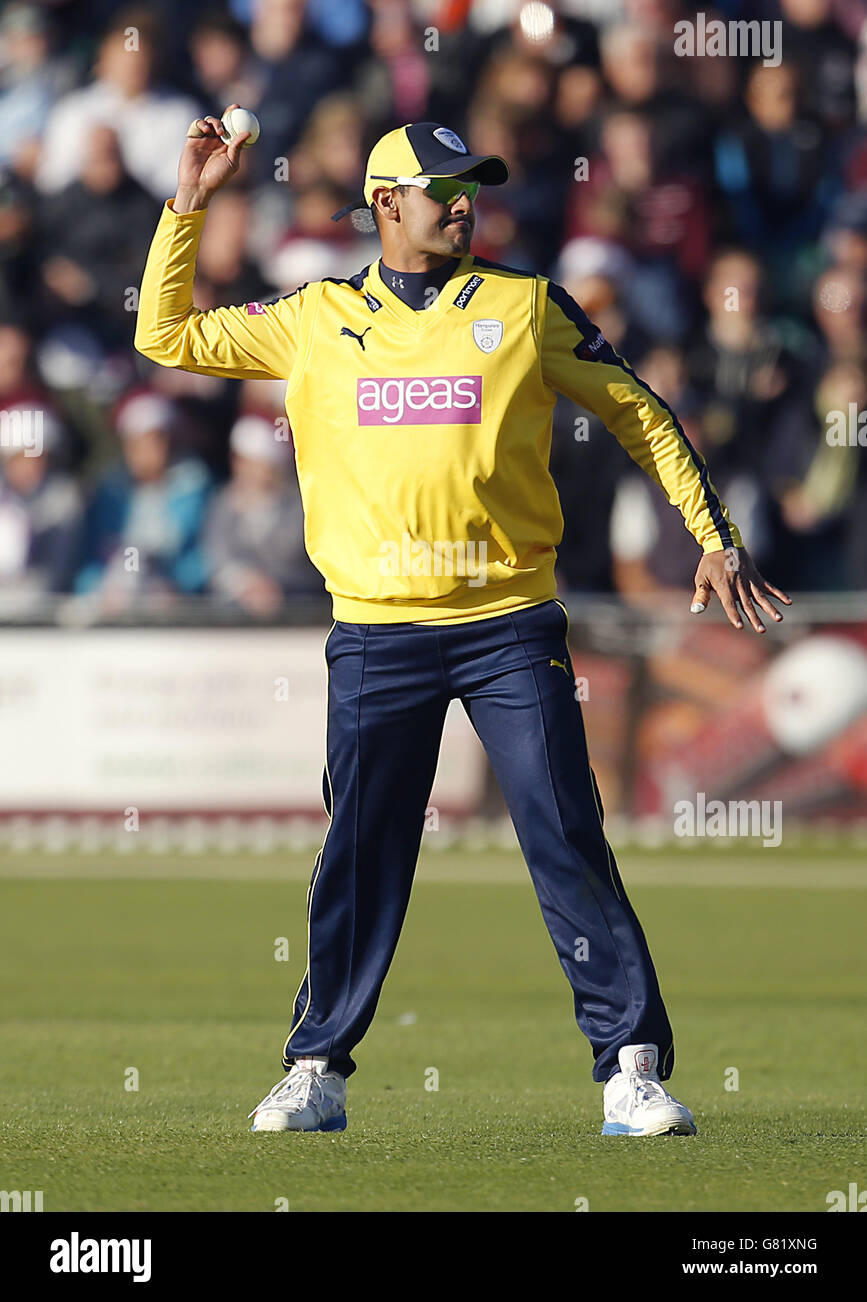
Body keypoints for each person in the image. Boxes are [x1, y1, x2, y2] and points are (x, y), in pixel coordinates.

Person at [135, 112, 791, 1138]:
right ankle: (317, 1066)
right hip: (375, 634)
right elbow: (162, 333)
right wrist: (189, 207)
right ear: (384, 205)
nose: (462, 204)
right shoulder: (313, 316)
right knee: (361, 851)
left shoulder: (525, 306)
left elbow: (640, 411)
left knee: (566, 835)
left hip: (507, 624)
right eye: (441, 188)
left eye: (472, 187)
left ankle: (629, 1068)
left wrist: (711, 531)